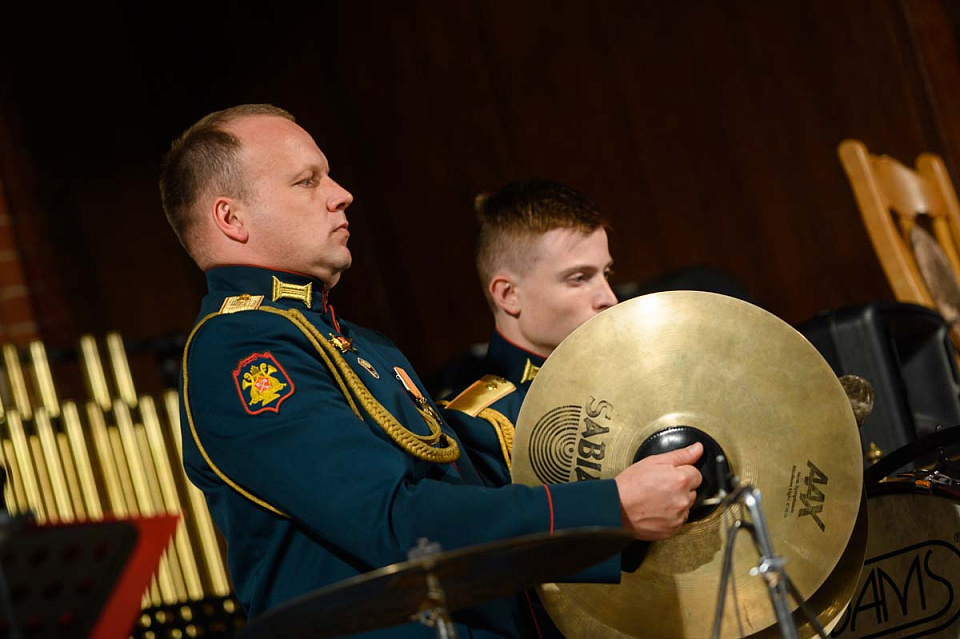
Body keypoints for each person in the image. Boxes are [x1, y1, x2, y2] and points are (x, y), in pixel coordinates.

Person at [159, 104, 703, 638]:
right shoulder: (238, 349)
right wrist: (611, 509)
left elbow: (466, 468)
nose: (341, 194)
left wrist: (626, 388)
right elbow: (395, 522)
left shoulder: (354, 341)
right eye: (307, 181)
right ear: (232, 218)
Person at [442, 180, 617, 487]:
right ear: (508, 295)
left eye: (606, 274)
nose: (609, 298)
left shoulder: (629, 372)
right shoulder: (473, 426)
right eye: (579, 278)